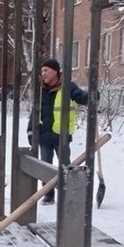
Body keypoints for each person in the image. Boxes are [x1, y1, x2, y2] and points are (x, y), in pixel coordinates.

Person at [26, 58, 89, 204]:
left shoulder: (68, 87)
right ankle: (48, 195)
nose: (43, 74)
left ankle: (68, 195)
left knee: (65, 167)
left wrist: (90, 96)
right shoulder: (41, 91)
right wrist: (30, 130)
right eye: (42, 71)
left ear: (55, 71)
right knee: (45, 168)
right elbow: (35, 113)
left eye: (46, 70)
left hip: (62, 136)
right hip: (44, 136)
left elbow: (80, 97)